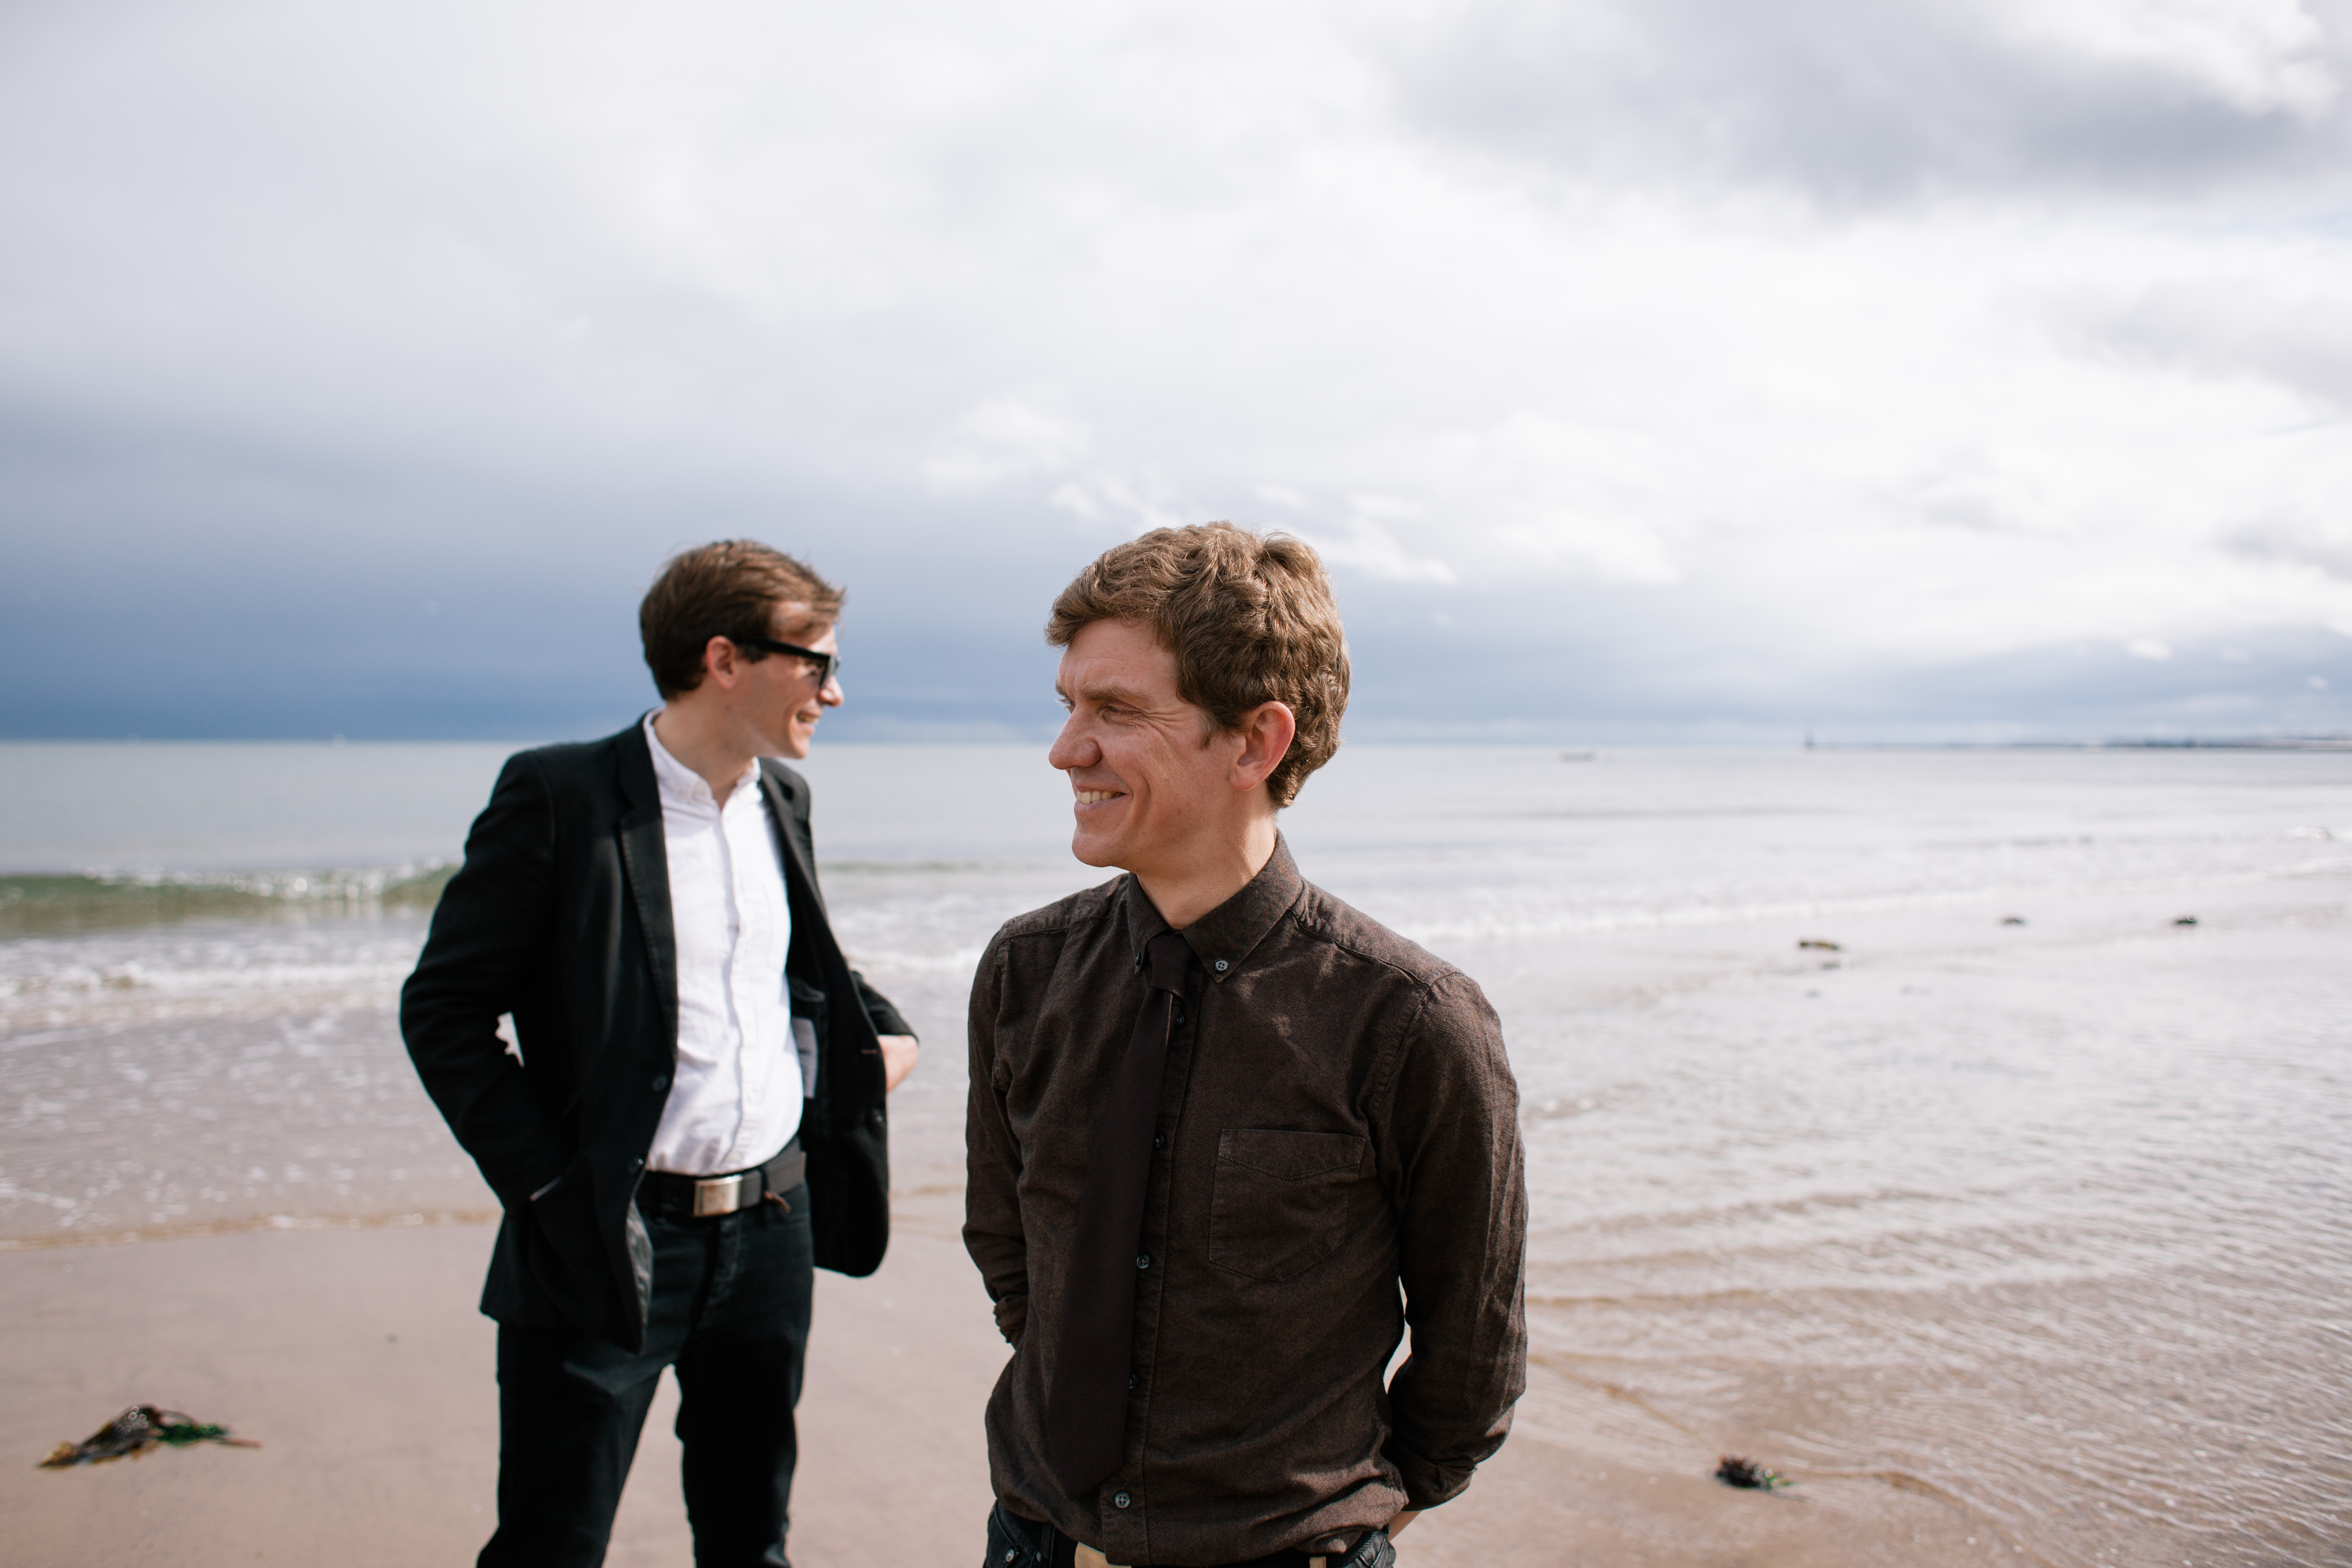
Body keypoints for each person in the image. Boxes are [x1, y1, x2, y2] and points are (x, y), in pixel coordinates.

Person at [964, 523, 1528, 1568]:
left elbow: (1472, 1352)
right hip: (1032, 1537)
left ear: (1255, 743)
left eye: (1116, 711)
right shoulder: (1023, 972)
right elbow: (1008, 1244)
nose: (1065, 749)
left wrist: (1352, 1519)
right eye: (1068, 706)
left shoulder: (1412, 1021)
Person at [402, 540, 919, 1568]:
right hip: (606, 1235)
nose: (833, 692)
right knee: (551, 1546)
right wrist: (552, 1186)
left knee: (750, 1539)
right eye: (816, 663)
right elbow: (444, 1011)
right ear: (725, 659)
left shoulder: (783, 801)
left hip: (771, 1230)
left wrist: (882, 1033)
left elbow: (792, 966)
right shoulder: (559, 795)